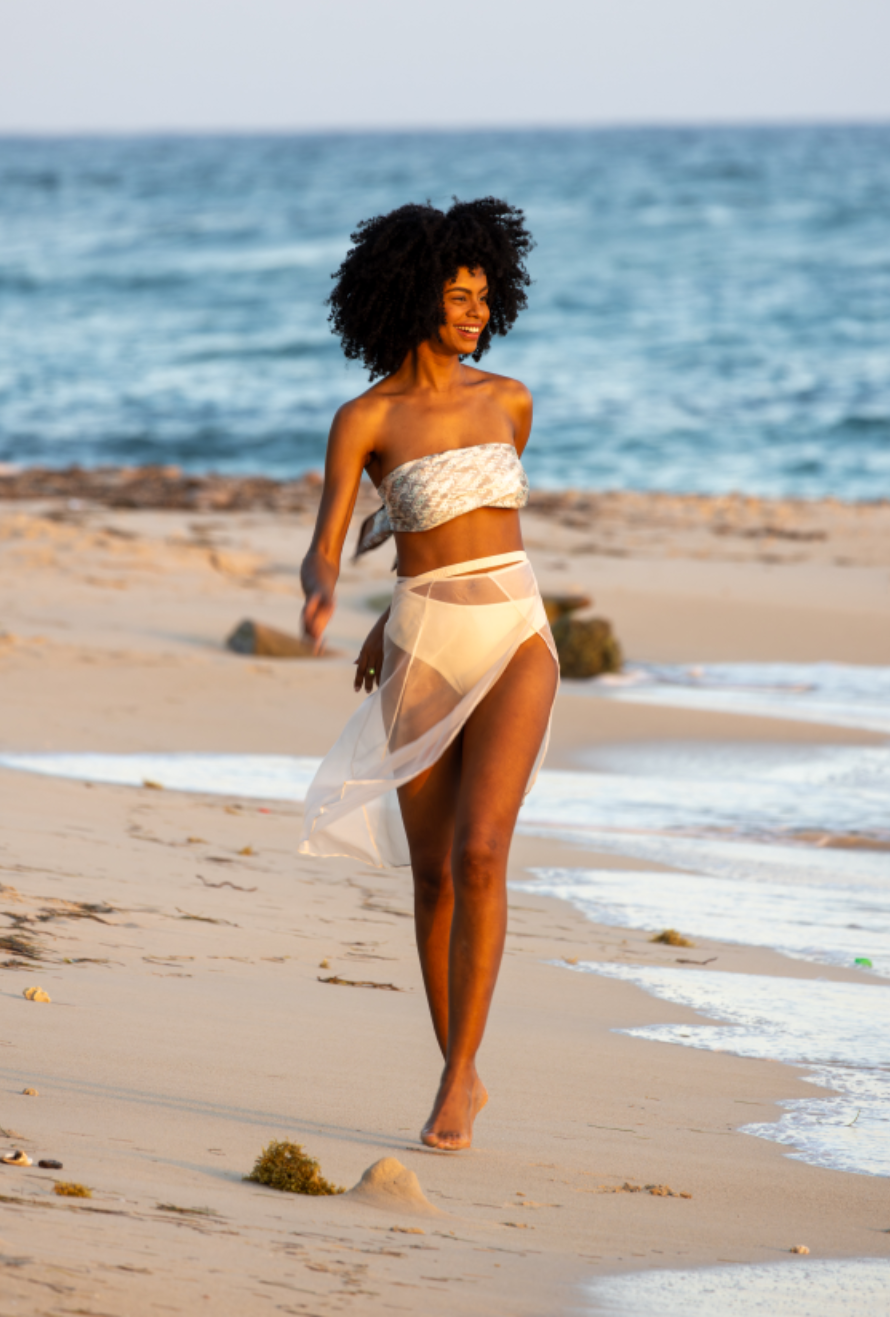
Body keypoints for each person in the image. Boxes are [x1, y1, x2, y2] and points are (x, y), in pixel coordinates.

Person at [299, 198, 558, 1151]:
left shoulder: (510, 399)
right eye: (458, 297)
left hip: (514, 629)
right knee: (436, 875)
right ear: (413, 296)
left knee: (485, 851)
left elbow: (472, 519)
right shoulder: (364, 418)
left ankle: (456, 1081)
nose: (474, 314)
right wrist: (331, 597)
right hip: (420, 643)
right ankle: (464, 1066)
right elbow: (335, 541)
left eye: (484, 298)